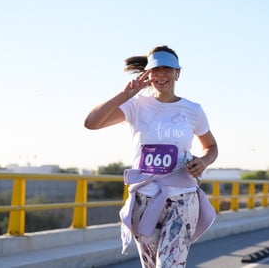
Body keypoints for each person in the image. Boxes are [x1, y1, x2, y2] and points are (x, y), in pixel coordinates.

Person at [84, 45, 218, 268]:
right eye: (156, 69)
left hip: (182, 198)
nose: (161, 74)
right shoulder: (135, 106)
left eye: (168, 69)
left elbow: (211, 147)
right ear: (148, 73)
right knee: (151, 266)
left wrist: (203, 161)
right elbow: (91, 123)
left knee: (169, 266)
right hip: (144, 199)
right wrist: (124, 95)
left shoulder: (193, 110)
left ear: (178, 73)